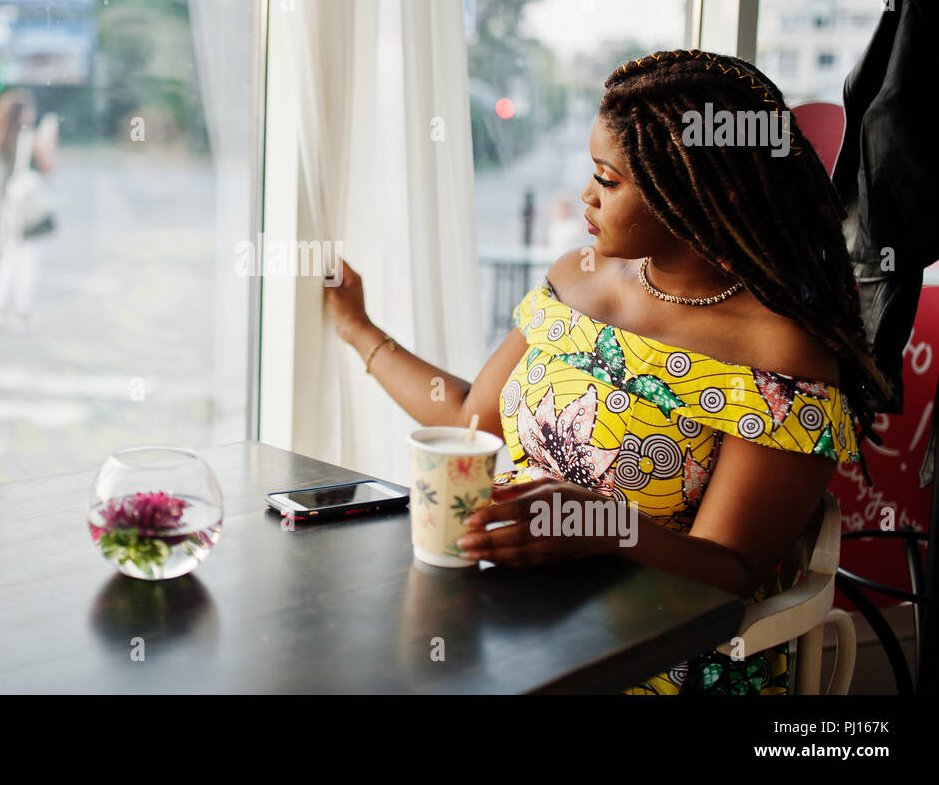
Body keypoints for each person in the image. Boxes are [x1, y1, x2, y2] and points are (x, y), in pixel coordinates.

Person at [324, 49, 894, 695]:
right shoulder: (578, 279)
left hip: (653, 656)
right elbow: (466, 423)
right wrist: (355, 326)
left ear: (700, 191)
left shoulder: (782, 353)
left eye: (609, 178)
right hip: (509, 619)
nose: (587, 196)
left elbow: (730, 568)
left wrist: (599, 524)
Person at [0, 88, 58, 332]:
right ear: (23, 113)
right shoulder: (30, 139)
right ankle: (22, 313)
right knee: (29, 259)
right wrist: (48, 140)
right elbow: (48, 167)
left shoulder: (1, 136)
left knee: (10, 257)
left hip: (10, 205)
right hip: (29, 207)